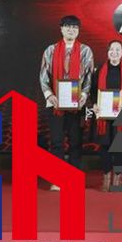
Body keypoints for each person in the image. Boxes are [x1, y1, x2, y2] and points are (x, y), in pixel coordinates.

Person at [40, 15, 94, 191]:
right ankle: (57, 180)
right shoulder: (50, 50)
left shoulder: (86, 51)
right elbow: (43, 75)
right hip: (55, 104)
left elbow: (88, 77)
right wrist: (49, 95)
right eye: (68, 26)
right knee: (56, 142)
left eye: (75, 27)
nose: (71, 30)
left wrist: (83, 95)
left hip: (77, 105)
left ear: (78, 31)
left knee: (75, 142)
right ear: (61, 29)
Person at [91, 40, 122, 191]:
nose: (114, 52)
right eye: (112, 49)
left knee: (119, 146)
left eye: (118, 50)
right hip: (103, 115)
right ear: (108, 52)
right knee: (104, 145)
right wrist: (94, 104)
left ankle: (117, 177)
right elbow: (92, 91)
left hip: (121, 114)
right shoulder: (99, 70)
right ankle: (106, 176)